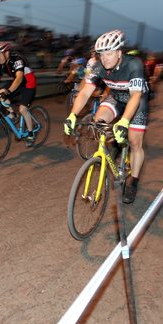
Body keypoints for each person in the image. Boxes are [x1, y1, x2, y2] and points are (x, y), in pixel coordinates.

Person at [64, 30, 149, 204]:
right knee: (98, 121)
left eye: (109, 54)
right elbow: (85, 92)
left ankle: (134, 180)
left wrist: (125, 121)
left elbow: (135, 96)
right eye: (102, 54)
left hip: (136, 101)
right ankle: (112, 145)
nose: (105, 59)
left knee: (134, 141)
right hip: (116, 97)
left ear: (119, 52)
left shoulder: (134, 65)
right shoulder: (98, 66)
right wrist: (72, 115)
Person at [0, 42, 38, 145]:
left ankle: (30, 133)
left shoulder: (17, 60)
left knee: (22, 109)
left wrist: (9, 91)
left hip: (28, 82)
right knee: (0, 93)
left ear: (6, 53)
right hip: (18, 82)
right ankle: (12, 113)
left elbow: (19, 78)